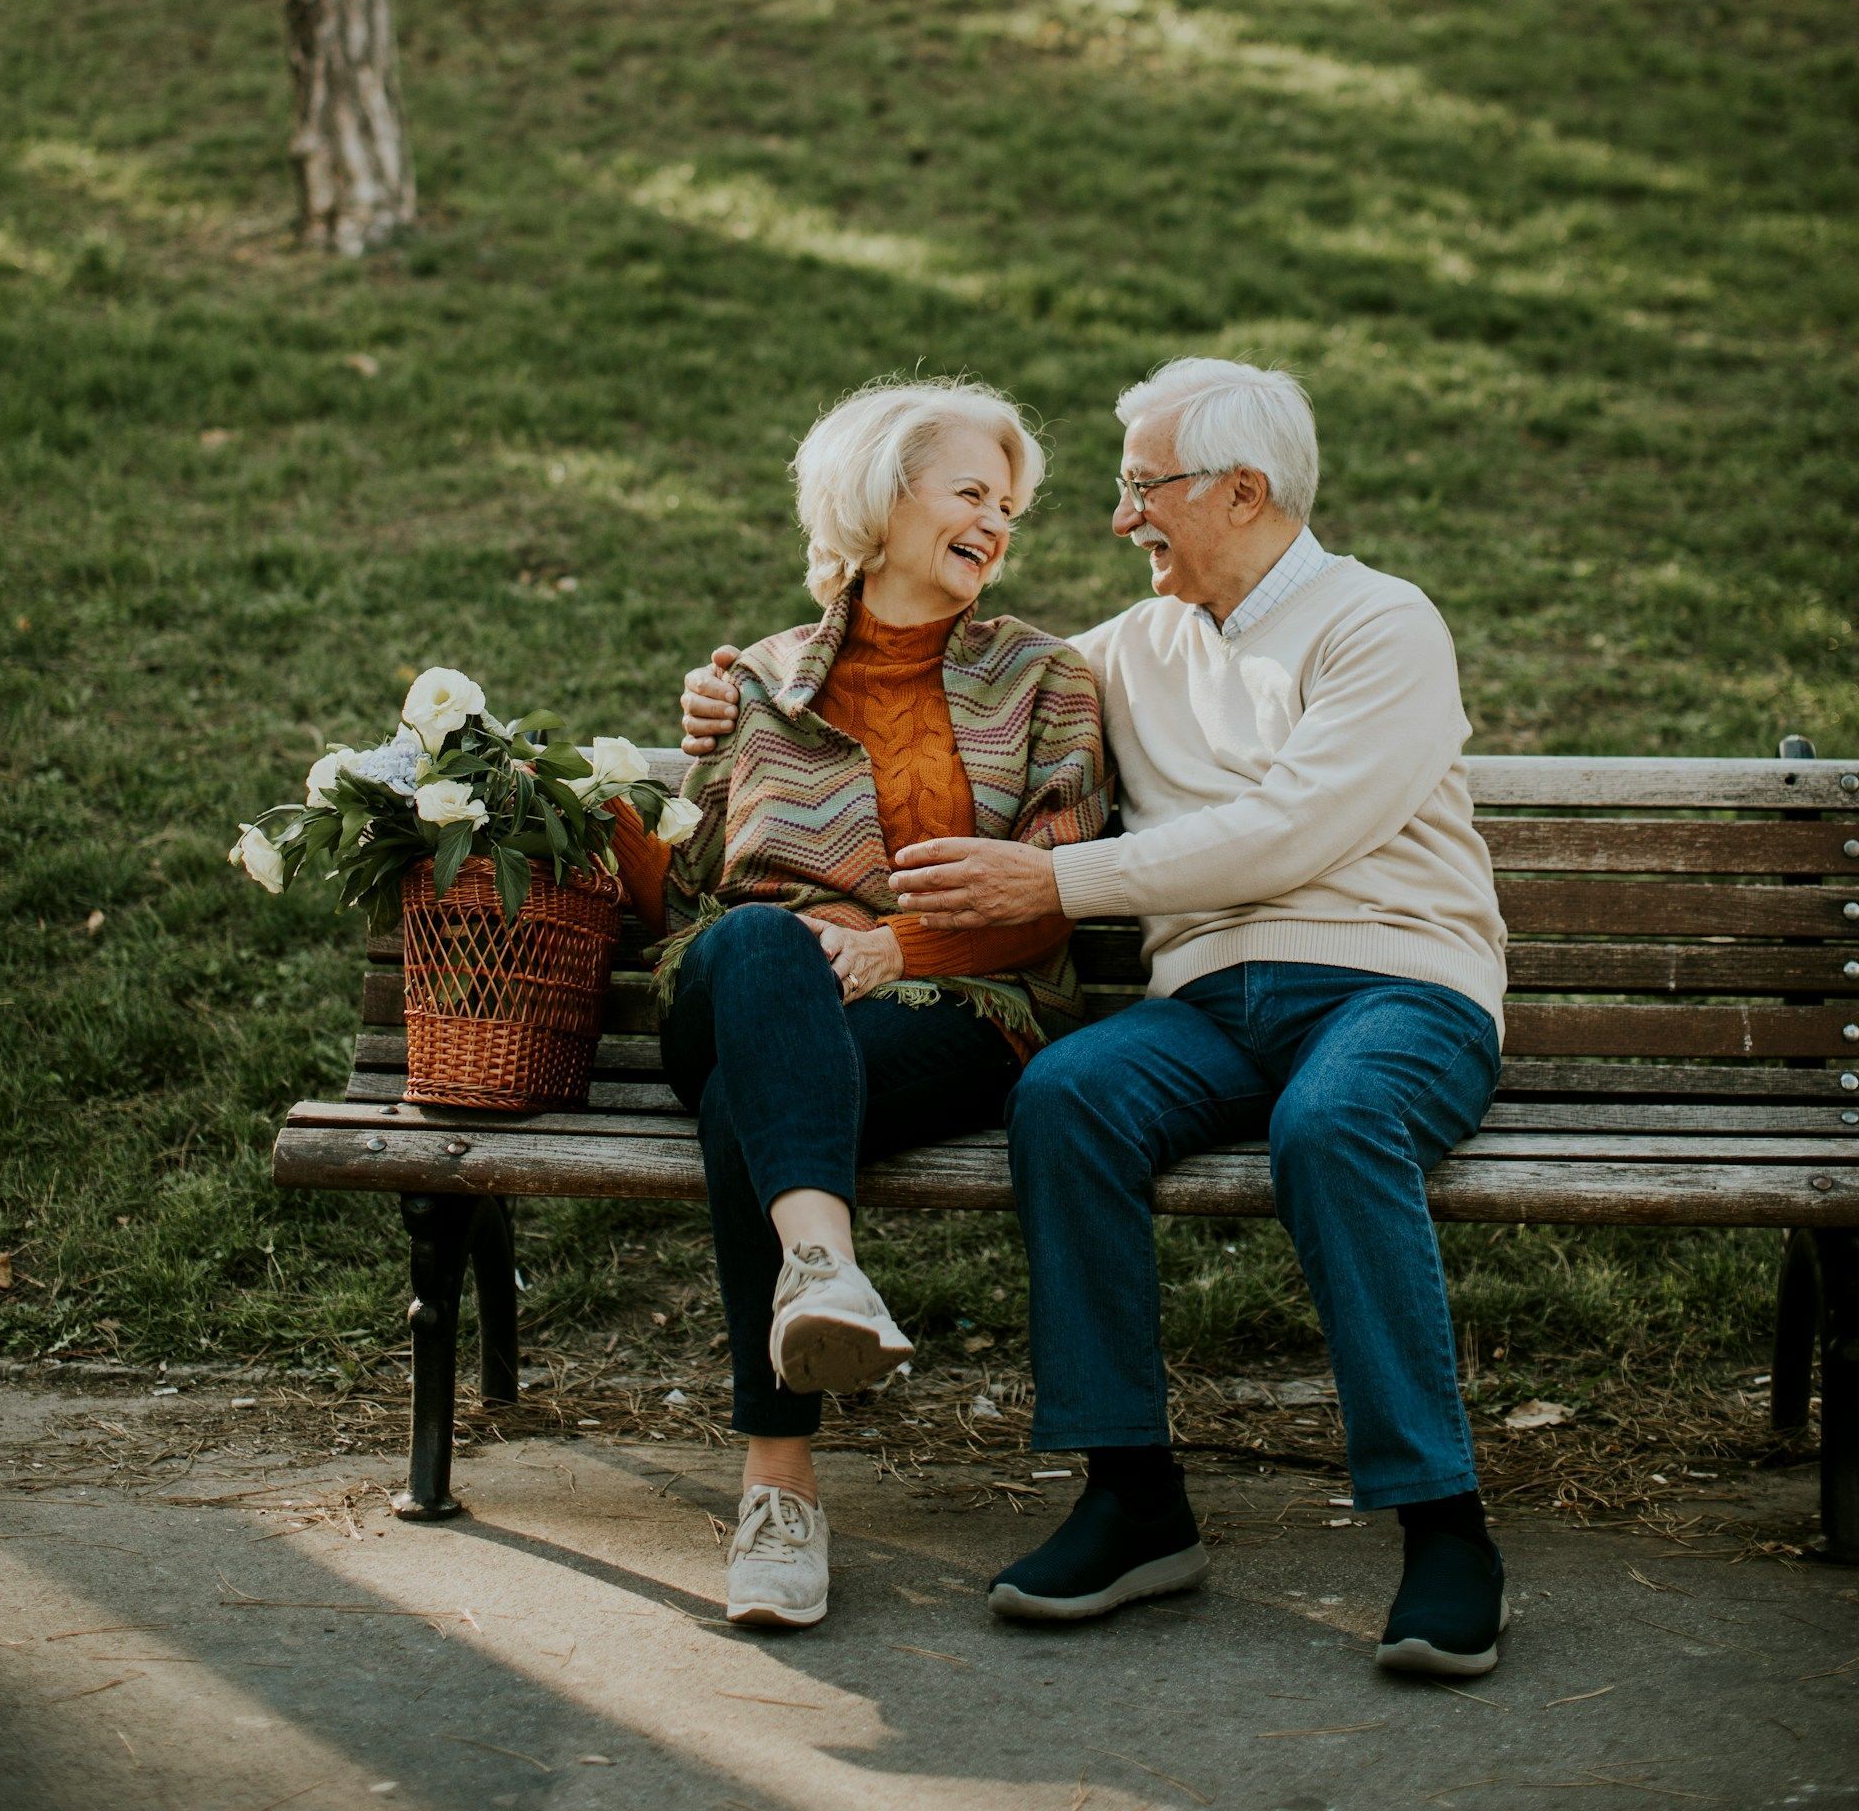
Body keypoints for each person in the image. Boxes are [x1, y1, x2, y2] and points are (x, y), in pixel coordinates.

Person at [683, 356, 1511, 1679]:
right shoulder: (1125, 652)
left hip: (1396, 986)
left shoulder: (1381, 623)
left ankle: (1442, 1527)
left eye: (1144, 491)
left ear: (1240, 492)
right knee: (1066, 1096)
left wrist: (1053, 881)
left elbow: (1294, 829)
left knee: (1335, 1124)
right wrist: (725, 705)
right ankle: (1133, 1497)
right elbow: (932, 674)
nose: (1121, 520)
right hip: (1206, 1008)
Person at [621, 376, 1109, 1634]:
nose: (997, 523)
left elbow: (1058, 889)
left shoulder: (1048, 680)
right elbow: (682, 891)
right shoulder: (760, 680)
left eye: (1008, 506)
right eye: (969, 493)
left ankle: (780, 1475)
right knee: (764, 948)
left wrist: (899, 944)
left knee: (751, 1096)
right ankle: (824, 1272)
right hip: (748, 982)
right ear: (881, 500)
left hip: (955, 1011)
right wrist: (649, 778)